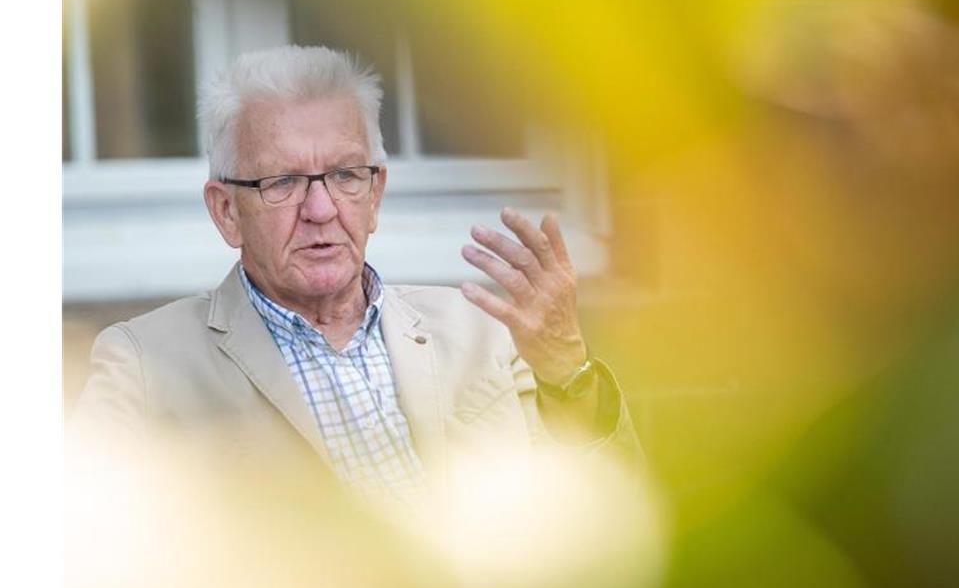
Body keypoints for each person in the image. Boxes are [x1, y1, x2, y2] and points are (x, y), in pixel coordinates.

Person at [70, 45, 641, 519]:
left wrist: (567, 371)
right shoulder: (145, 364)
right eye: (283, 181)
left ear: (375, 195)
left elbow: (608, 515)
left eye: (345, 175)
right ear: (225, 211)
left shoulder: (485, 329)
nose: (320, 208)